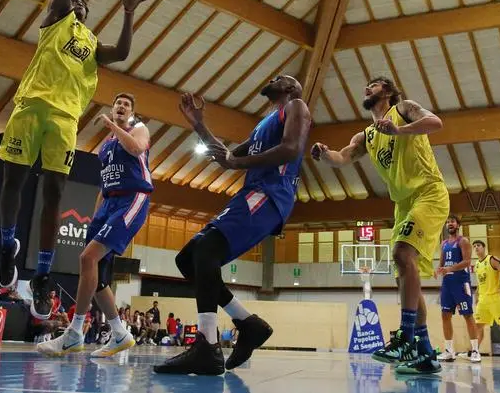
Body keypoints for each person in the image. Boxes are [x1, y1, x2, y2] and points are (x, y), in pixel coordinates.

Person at [0, 0, 150, 320]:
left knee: (54, 191)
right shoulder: (56, 17)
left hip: (64, 117)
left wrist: (128, 14)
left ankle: (42, 274)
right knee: (13, 183)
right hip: (30, 105)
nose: (79, 1)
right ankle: (8, 245)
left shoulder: (92, 42)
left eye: (83, 3)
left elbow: (121, 54)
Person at [154, 75, 311, 375]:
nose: (273, 78)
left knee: (206, 250)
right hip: (253, 194)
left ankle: (207, 346)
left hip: (270, 194)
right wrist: (199, 124)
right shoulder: (264, 126)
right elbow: (226, 158)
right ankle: (247, 324)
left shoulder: (296, 106)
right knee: (188, 259)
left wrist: (240, 164)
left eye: (281, 78)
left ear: (290, 88)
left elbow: (292, 148)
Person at [311, 76, 448, 375]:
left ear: (387, 91)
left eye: (373, 84)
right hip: (403, 205)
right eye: (366, 85)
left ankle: (405, 336)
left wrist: (400, 130)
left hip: (429, 192)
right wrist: (324, 154)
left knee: (402, 255)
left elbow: (435, 123)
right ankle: (425, 353)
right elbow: (343, 157)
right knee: (404, 277)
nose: (366, 88)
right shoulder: (366, 136)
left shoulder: (405, 109)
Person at [38, 93, 152, 358]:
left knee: (87, 258)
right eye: (118, 104)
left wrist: (114, 127)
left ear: (131, 112)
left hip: (133, 198)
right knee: (97, 278)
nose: (121, 106)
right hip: (109, 204)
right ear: (112, 109)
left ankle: (74, 333)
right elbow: (105, 183)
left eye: (126, 104)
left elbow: (137, 148)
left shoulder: (138, 129)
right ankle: (120, 334)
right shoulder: (106, 146)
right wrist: (96, 214)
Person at [434, 215, 480, 363]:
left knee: (468, 315)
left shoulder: (463, 241)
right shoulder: (444, 243)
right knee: (445, 315)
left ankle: (475, 350)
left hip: (461, 283)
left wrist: (450, 268)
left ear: (458, 225)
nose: (449, 224)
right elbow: (442, 263)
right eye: (448, 222)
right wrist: (438, 270)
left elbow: (467, 262)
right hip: (447, 283)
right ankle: (449, 351)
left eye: (452, 221)